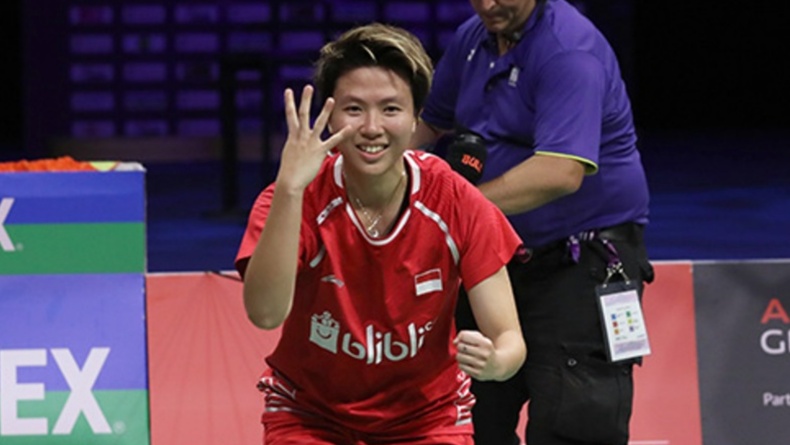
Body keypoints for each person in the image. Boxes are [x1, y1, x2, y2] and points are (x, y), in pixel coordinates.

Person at [235, 23, 527, 445]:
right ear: (329, 116)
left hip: (428, 419)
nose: (372, 127)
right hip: (310, 416)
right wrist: (290, 189)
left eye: (390, 109)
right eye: (354, 109)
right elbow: (264, 314)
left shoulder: (455, 201)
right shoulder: (293, 197)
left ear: (414, 120)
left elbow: (509, 339)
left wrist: (497, 363)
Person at [410, 1, 655, 444]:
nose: (487, 3)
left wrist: (454, 212)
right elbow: (426, 123)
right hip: (495, 259)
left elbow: (561, 171)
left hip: (580, 260)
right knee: (472, 418)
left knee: (574, 423)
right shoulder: (474, 36)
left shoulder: (567, 52)